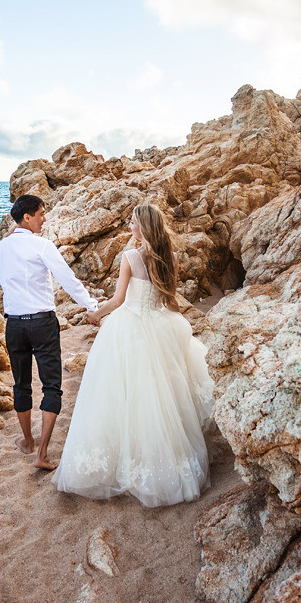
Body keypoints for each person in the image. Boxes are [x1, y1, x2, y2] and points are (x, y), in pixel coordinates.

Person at [54, 203, 215, 507]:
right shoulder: (171, 258)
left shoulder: (129, 257)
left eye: (132, 222)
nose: (129, 226)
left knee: (122, 394)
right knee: (161, 393)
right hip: (159, 323)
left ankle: (127, 463)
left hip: (129, 327)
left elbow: (117, 300)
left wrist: (95, 314)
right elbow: (169, 299)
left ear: (142, 226)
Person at [0, 194, 100, 470]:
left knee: (21, 384)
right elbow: (67, 278)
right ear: (27, 217)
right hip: (43, 323)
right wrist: (91, 306)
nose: (44, 218)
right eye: (41, 214)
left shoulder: (0, 249)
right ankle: (42, 453)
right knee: (51, 385)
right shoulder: (42, 246)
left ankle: (27, 441)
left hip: (15, 326)